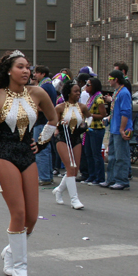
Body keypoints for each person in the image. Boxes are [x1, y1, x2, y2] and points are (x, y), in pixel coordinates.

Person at [0, 50, 57, 276]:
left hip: (27, 153)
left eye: (28, 67)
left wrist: (42, 142)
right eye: (21, 67)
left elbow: (54, 119)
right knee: (19, 214)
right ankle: (19, 268)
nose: (26, 71)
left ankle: (11, 252)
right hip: (3, 153)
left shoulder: (38, 93)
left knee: (32, 218)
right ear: (8, 71)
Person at [52, 81, 90, 210]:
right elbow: (53, 125)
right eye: (75, 91)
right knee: (70, 167)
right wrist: (60, 125)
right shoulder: (60, 108)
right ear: (68, 93)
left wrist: (84, 126)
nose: (78, 93)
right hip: (63, 138)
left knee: (74, 170)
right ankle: (74, 199)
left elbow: (88, 119)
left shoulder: (82, 107)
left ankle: (59, 190)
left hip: (76, 138)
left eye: (79, 91)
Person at [101, 70, 133, 190]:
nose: (109, 81)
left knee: (121, 156)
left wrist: (122, 128)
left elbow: (126, 112)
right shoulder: (116, 92)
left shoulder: (124, 93)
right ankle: (111, 179)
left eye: (110, 79)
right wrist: (108, 118)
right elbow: (116, 111)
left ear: (116, 80)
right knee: (112, 156)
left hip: (121, 129)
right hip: (114, 128)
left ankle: (122, 180)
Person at [32, 66, 57, 184]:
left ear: (42, 74)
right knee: (46, 148)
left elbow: (45, 106)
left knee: (41, 149)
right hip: (45, 121)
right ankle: (47, 175)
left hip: (42, 121)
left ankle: (44, 176)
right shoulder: (48, 86)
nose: (34, 75)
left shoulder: (44, 87)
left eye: (36, 73)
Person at [83, 77, 107, 185]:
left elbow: (103, 115)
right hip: (89, 128)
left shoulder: (98, 99)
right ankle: (91, 175)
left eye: (88, 85)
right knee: (88, 153)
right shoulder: (91, 97)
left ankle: (99, 177)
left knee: (96, 154)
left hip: (97, 129)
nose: (86, 87)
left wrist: (90, 115)